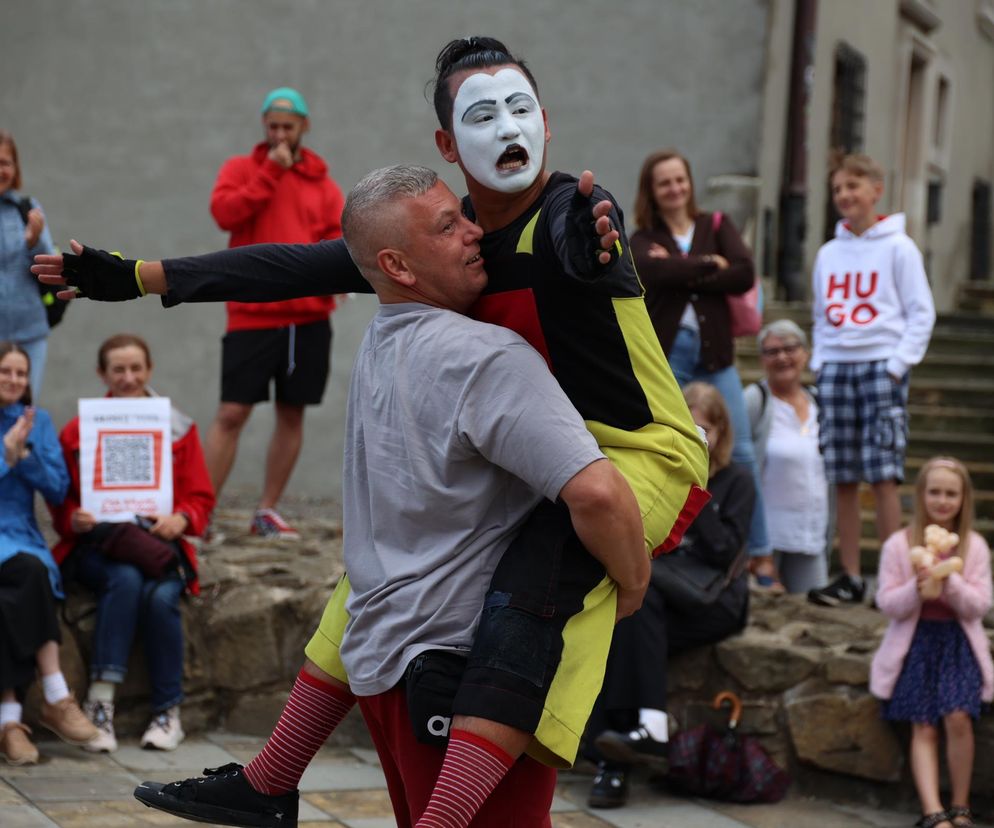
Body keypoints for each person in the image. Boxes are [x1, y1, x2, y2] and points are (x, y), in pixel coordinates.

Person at [36, 36, 708, 828]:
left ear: (548, 124)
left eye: (521, 108)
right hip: (544, 459)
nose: (507, 128)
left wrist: (602, 232)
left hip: (640, 461)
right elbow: (291, 265)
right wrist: (143, 277)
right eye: (482, 114)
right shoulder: (452, 242)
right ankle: (270, 781)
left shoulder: (568, 215)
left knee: (537, 582)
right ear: (448, 145)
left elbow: (583, 230)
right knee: (379, 566)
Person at [137, 164, 648, 826]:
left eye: (464, 214)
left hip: (383, 671)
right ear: (397, 265)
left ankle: (266, 786)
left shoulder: (380, 341)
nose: (474, 232)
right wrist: (633, 581)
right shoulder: (487, 359)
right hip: (462, 678)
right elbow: (600, 494)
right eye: (448, 224)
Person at [583, 382, 754, 808]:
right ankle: (637, 740)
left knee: (632, 619)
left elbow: (723, 552)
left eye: (704, 430)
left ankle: (609, 764)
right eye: (687, 429)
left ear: (720, 433)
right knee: (629, 626)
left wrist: (698, 489)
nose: (697, 438)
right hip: (660, 599)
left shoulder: (736, 481)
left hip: (714, 604)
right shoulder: (661, 475)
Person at [51, 334, 215, 752]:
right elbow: (60, 499)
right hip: (101, 548)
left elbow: (200, 497)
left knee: (161, 599)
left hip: (160, 549)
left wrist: (181, 518)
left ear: (150, 370)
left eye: (136, 368)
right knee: (123, 578)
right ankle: (101, 705)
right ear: (101, 374)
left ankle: (167, 711)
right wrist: (74, 517)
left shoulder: (178, 427)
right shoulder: (78, 431)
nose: (128, 378)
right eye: (118, 370)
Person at [630, 149, 780, 590]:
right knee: (668, 448)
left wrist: (680, 269)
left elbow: (745, 274)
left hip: (716, 357)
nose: (675, 189)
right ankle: (663, 546)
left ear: (689, 182)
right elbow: (648, 272)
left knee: (744, 453)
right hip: (669, 356)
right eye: (664, 183)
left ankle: (759, 554)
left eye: (680, 179)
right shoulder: (642, 237)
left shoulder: (716, 225)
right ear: (652, 191)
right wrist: (708, 264)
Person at [206, 87, 345, 539]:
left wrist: (339, 279)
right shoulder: (242, 169)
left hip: (307, 318)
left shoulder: (324, 184)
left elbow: (334, 235)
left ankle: (266, 510)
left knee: (292, 413)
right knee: (231, 413)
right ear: (264, 127)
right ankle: (197, 512)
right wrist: (269, 173)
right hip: (252, 312)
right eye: (273, 126)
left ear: (304, 126)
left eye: (288, 126)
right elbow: (225, 213)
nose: (280, 134)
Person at [808, 153, 936, 607]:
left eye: (853, 186)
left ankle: (892, 576)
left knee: (883, 475)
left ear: (876, 190)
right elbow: (822, 316)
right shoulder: (829, 252)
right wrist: (821, 364)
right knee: (842, 475)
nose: (844, 195)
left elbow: (921, 312)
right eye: (838, 188)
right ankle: (848, 576)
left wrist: (897, 365)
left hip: (881, 365)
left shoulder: (899, 248)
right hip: (837, 369)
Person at [870, 457, 992, 828]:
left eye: (951, 494)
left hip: (957, 642)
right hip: (916, 642)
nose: (942, 501)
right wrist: (918, 587)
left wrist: (948, 577)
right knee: (924, 723)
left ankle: (960, 804)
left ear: (963, 499)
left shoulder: (973, 547)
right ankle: (932, 810)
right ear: (921, 496)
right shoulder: (898, 544)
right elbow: (887, 602)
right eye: (935, 492)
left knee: (958, 716)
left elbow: (979, 607)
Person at [0, 342, 98, 765]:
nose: (15, 380)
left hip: (19, 535)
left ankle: (9, 721)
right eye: (6, 371)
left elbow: (58, 488)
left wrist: (25, 457)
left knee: (24, 581)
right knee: (28, 576)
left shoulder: (38, 423)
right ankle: (54, 695)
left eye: (21, 374)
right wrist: (7, 458)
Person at [744, 319, 830, 594]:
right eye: (772, 351)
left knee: (815, 613)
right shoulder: (755, 400)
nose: (782, 357)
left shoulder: (819, 402)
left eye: (790, 348)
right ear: (762, 359)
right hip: (765, 538)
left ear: (805, 353)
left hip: (810, 535)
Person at [0, 131, 56, 396]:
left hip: (28, 329)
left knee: (25, 406)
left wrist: (35, 242)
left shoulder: (28, 208)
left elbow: (49, 266)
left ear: (15, 167)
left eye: (4, 163)